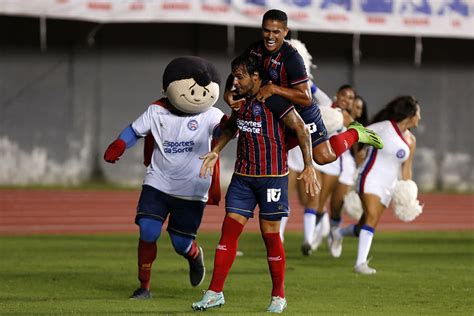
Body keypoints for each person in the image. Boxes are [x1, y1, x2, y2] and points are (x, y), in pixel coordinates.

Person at [192, 54, 318, 313]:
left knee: (270, 237)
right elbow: (231, 129)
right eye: (234, 76)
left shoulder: (274, 101)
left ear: (256, 77)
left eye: (240, 76)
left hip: (272, 178)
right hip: (243, 179)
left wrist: (308, 166)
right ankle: (215, 293)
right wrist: (216, 150)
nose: (235, 81)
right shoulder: (240, 101)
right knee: (227, 234)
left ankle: (278, 296)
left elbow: (302, 128)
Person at [103, 56, 226, 299]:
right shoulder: (156, 110)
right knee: (148, 231)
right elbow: (134, 130)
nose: (197, 96)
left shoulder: (212, 115)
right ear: (167, 88)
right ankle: (144, 287)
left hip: (192, 188)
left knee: (180, 243)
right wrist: (119, 144)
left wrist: (229, 126)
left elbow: (223, 130)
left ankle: (193, 254)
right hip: (158, 182)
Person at [331, 95, 421, 274]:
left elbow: (406, 169)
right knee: (371, 217)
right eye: (418, 113)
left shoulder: (411, 141)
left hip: (389, 185)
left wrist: (409, 192)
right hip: (370, 177)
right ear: (409, 115)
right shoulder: (384, 128)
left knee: (365, 223)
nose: (420, 117)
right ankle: (360, 264)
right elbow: (358, 132)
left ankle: (339, 233)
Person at [327, 95, 369, 258]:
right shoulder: (339, 118)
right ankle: (318, 226)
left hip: (348, 168)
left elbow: (360, 156)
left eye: (360, 108)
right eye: (355, 106)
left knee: (337, 205)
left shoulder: (360, 128)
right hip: (328, 163)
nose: (357, 110)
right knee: (318, 201)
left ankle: (334, 233)